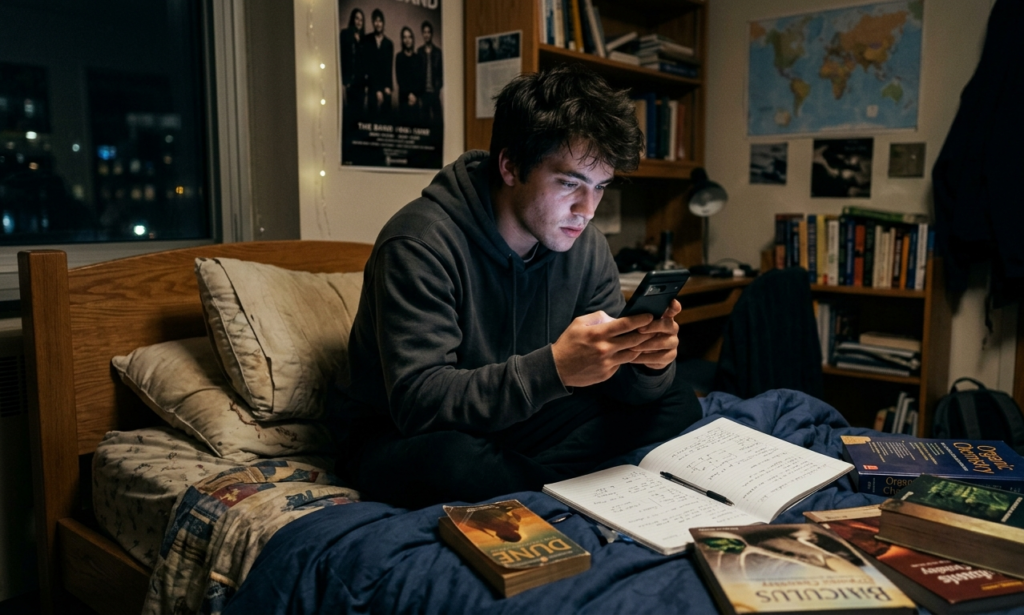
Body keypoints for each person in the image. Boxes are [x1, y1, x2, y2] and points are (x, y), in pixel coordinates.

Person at [336, 64, 702, 509]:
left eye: (600, 187)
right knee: (449, 461)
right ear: (510, 166)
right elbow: (419, 403)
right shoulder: (418, 242)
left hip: (523, 419)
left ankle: (526, 479)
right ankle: (570, 483)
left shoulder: (586, 247)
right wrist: (556, 369)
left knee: (679, 397)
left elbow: (617, 388)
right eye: (570, 183)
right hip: (410, 433)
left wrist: (646, 362)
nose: (587, 210)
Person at [362, 8, 393, 121]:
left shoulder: (389, 43)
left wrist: (388, 87)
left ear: (383, 23)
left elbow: (388, 68)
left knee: (385, 122)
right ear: (372, 23)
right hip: (372, 86)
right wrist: (376, 90)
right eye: (375, 21)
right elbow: (368, 66)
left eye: (380, 21)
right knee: (372, 119)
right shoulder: (367, 40)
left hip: (385, 87)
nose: (378, 23)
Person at [339, 7, 366, 120]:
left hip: (360, 84)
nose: (359, 22)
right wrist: (344, 81)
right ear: (352, 19)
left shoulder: (364, 39)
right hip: (348, 82)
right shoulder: (344, 34)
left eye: (361, 19)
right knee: (348, 113)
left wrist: (359, 42)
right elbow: (342, 57)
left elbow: (364, 61)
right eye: (357, 18)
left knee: (359, 115)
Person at [394, 26, 423, 126]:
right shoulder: (399, 57)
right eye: (405, 37)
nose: (407, 40)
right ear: (402, 40)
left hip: (416, 100)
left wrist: (415, 95)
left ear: (413, 39)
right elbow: (400, 79)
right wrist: (408, 95)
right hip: (403, 99)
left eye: (409, 37)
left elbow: (420, 79)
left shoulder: (418, 58)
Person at [417, 20, 443, 128]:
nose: (426, 34)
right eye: (424, 32)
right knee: (424, 123)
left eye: (428, 32)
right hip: (424, 93)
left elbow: (441, 74)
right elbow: (417, 73)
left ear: (431, 34)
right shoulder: (419, 51)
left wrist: (437, 89)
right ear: (422, 34)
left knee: (438, 122)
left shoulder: (438, 52)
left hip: (434, 93)